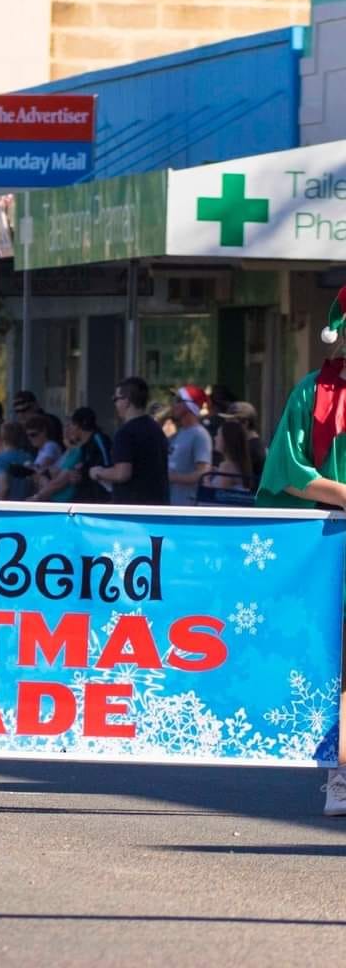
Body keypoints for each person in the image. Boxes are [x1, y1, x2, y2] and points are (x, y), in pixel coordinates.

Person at [256, 287, 346, 816]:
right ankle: (339, 776)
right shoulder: (311, 394)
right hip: (331, 547)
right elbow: (289, 475)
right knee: (338, 666)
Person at [89, 376, 169, 505]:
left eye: (116, 399)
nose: (115, 404)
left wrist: (98, 472)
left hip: (132, 508)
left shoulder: (125, 433)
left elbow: (122, 473)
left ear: (126, 401)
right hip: (158, 505)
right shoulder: (156, 429)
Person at [167, 385, 214, 506]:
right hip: (172, 504)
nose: (173, 405)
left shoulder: (200, 435)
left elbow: (203, 473)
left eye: (178, 401)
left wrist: (174, 478)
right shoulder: (179, 433)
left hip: (187, 507)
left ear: (189, 406)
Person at [29, 417, 84, 503]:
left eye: (70, 426)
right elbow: (54, 474)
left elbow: (60, 481)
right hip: (55, 500)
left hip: (66, 504)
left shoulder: (77, 452)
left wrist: (37, 497)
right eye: (64, 427)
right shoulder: (68, 452)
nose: (66, 430)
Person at [0, 421, 34, 502]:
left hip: (7, 508)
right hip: (24, 505)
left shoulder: (0, 460)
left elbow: (2, 488)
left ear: (2, 437)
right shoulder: (28, 457)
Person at [69, 406, 112, 503]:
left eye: (73, 424)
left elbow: (107, 464)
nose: (70, 429)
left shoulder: (99, 439)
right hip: (86, 498)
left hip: (100, 499)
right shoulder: (83, 447)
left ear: (81, 425)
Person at [208, 418, 254, 490]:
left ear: (227, 440)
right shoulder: (238, 465)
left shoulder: (227, 467)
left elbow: (215, 494)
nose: (215, 438)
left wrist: (206, 478)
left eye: (218, 435)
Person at [228, 400, 266, 479]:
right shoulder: (248, 444)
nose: (227, 426)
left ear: (245, 423)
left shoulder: (253, 448)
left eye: (231, 422)